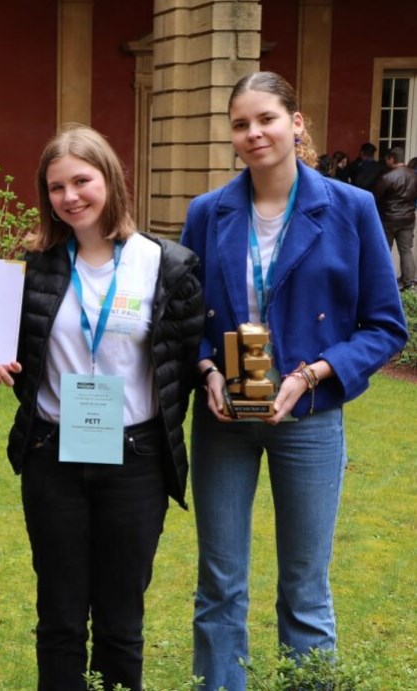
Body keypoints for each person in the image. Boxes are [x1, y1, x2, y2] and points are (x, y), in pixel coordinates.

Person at [181, 71, 407, 691]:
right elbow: (185, 317)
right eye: (240, 124)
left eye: (266, 119)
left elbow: (385, 326)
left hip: (308, 418)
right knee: (220, 582)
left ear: (296, 123)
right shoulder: (208, 213)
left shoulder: (350, 208)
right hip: (225, 419)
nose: (253, 133)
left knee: (305, 587)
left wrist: (311, 374)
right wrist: (206, 370)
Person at [0, 124, 203, 691]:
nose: (70, 196)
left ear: (111, 180)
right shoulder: (34, 266)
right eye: (56, 187)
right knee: (58, 615)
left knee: (121, 619)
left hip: (137, 458)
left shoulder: (164, 264)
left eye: (82, 180)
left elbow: (185, 358)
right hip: (53, 455)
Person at [373, 146, 417, 290]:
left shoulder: (387, 177)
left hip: (389, 218)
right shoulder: (414, 175)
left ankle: (383, 280)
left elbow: (376, 198)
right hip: (408, 218)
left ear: (391, 159)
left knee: (385, 249)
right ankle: (409, 281)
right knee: (406, 250)